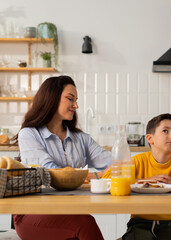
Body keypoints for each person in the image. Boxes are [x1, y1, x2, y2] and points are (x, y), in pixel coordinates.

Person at [13, 75, 110, 240]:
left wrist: (160, 152)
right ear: (51, 98)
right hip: (32, 213)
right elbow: (52, 173)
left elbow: (113, 161)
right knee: (85, 223)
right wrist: (96, 175)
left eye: (76, 100)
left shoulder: (81, 138)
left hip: (68, 210)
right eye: (70, 99)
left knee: (81, 225)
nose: (76, 105)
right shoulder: (29, 134)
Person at [102, 113, 171, 240]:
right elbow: (106, 178)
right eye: (165, 131)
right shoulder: (138, 161)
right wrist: (144, 181)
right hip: (140, 222)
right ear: (150, 138)